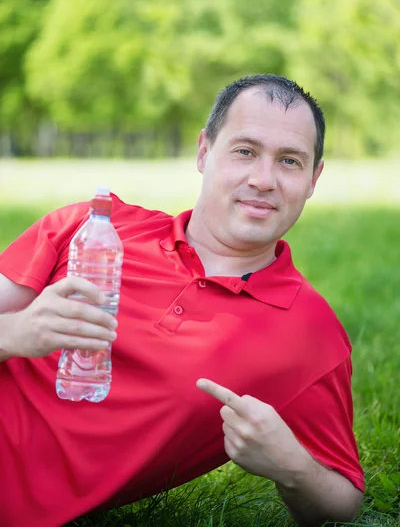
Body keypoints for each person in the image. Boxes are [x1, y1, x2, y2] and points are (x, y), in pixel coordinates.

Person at [0, 74, 364, 527]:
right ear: (203, 151)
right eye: (245, 151)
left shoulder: (312, 334)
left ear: (314, 179)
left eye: (290, 161)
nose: (263, 179)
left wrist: (293, 469)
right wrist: (13, 331)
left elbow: (344, 501)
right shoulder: (87, 228)